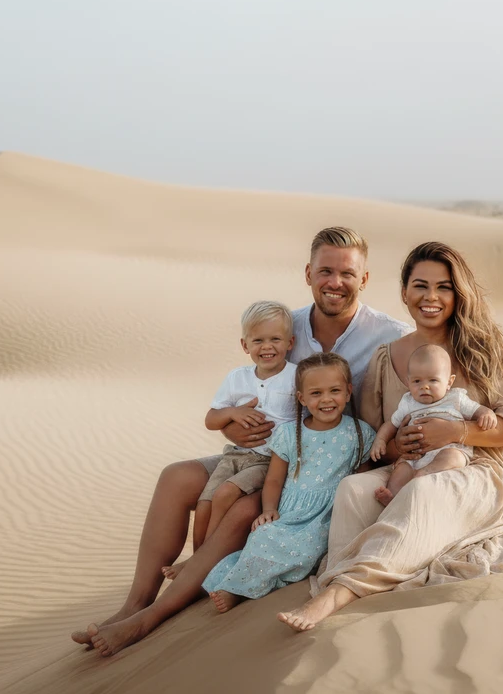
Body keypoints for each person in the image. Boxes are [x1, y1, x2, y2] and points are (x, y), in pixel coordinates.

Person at [71, 227, 409, 657]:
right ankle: (134, 603)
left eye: (347, 273)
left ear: (364, 279)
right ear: (308, 273)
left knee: (246, 508)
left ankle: (153, 618)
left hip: (323, 465)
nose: (335, 282)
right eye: (325, 270)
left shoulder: (390, 335)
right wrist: (232, 426)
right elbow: (250, 393)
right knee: (176, 478)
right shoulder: (286, 325)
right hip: (264, 449)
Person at [278, 241, 503, 633]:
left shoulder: (487, 346)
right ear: (404, 292)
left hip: (481, 466)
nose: (431, 297)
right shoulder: (387, 356)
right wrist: (395, 448)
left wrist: (457, 430)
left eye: (444, 287)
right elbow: (375, 436)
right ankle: (340, 573)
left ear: (458, 294)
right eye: (420, 286)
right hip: (408, 466)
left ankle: (341, 593)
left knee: (422, 493)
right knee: (354, 490)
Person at [202, 353, 375, 613]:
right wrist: (269, 510)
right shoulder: (289, 433)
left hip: (328, 515)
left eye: (335, 391)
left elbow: (362, 480)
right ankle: (235, 586)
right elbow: (273, 479)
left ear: (349, 392)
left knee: (308, 549)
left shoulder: (360, 432)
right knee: (263, 536)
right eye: (316, 393)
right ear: (302, 399)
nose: (326, 400)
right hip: (290, 510)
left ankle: (246, 588)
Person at [161, 301, 297, 580]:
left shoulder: (296, 376)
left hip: (271, 459)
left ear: (290, 342)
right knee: (205, 502)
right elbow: (211, 419)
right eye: (258, 340)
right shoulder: (237, 378)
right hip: (236, 454)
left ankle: (201, 563)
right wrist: (233, 412)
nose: (267, 347)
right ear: (245, 345)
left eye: (275, 339)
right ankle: (198, 561)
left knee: (225, 494)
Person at [368, 343, 497, 507]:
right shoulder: (408, 402)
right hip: (416, 457)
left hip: (447, 450)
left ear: (449, 382)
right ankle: (393, 498)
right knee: (401, 470)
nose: (424, 386)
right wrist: (380, 440)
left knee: (453, 457)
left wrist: (486, 413)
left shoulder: (455, 399)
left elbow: (476, 410)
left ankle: (426, 474)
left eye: (433, 380)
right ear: (408, 382)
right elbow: (391, 424)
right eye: (417, 381)